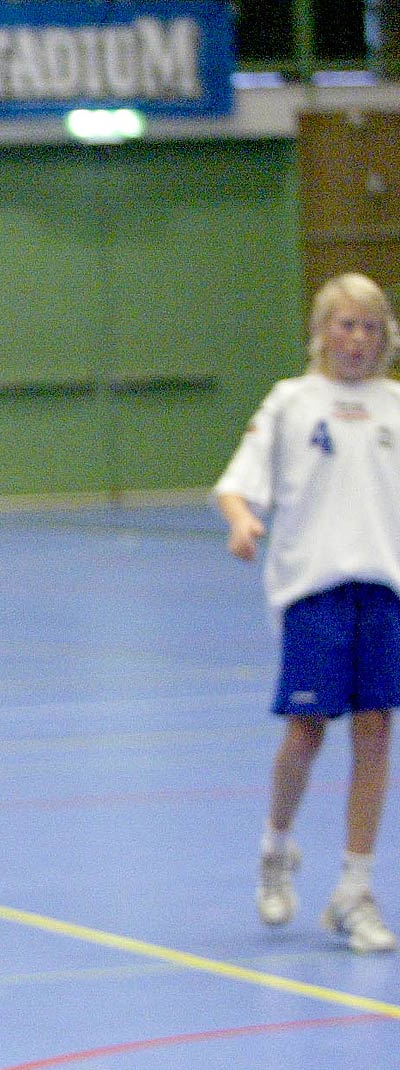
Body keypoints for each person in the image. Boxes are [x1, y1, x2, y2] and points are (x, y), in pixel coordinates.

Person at [216, 270, 400, 954]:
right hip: (312, 591)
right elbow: (237, 485)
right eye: (345, 325)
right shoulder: (292, 402)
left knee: (377, 730)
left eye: (370, 327)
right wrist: (241, 523)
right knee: (307, 731)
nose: (356, 338)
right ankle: (277, 843)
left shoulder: (393, 407)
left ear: (385, 337)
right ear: (323, 332)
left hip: (382, 588)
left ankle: (355, 888)